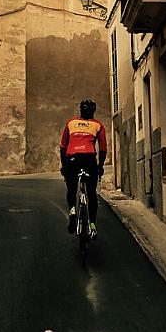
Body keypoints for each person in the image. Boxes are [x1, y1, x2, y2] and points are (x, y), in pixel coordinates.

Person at [60, 99, 107, 239]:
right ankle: (92, 225)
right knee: (91, 193)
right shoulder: (98, 125)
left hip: (72, 159)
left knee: (71, 189)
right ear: (94, 111)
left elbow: (63, 147)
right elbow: (103, 149)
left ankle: (72, 211)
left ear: (80, 110)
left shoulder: (71, 123)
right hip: (89, 159)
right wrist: (100, 166)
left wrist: (64, 166)